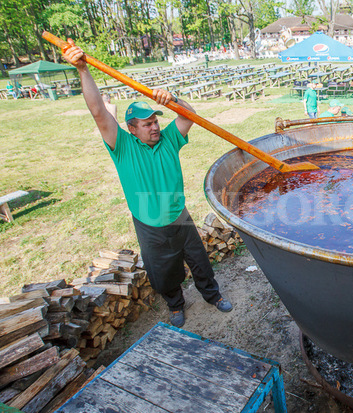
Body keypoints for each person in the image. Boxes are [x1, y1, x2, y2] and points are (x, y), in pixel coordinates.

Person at [61, 39, 232, 328]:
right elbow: (99, 113)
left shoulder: (168, 139)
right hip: (150, 225)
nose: (154, 127)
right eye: (146, 123)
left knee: (200, 262)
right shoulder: (122, 147)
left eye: (155, 120)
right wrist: (82, 70)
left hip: (179, 216)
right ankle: (176, 306)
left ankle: (212, 296)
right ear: (131, 128)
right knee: (163, 273)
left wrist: (173, 100)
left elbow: (190, 117)